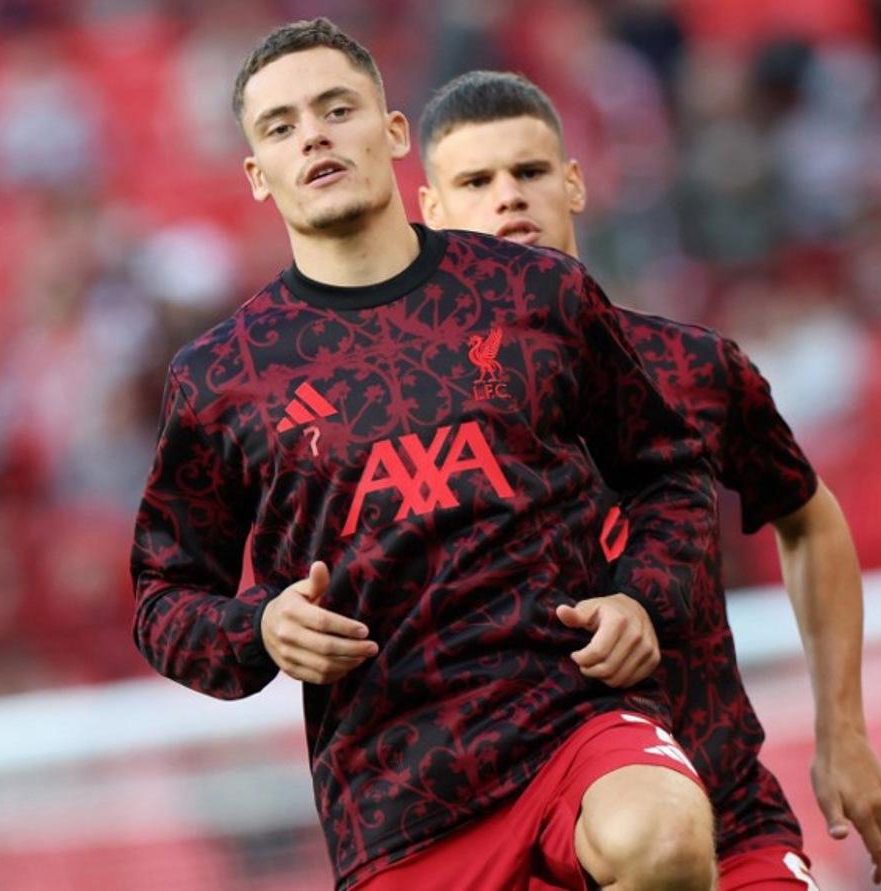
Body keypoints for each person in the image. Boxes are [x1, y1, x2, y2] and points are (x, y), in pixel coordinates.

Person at [131, 19, 721, 891]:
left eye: (338, 109)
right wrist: (258, 628)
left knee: (665, 839)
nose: (315, 136)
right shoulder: (221, 376)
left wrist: (643, 597)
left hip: (572, 716)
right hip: (393, 797)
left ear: (396, 133)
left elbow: (668, 469)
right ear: (258, 175)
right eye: (282, 126)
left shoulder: (537, 291)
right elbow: (163, 595)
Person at [417, 71, 881, 890]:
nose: (510, 198)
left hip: (728, 815)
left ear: (573, 184)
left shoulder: (694, 367)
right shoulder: (410, 413)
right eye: (476, 181)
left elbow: (809, 519)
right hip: (533, 838)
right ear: (432, 212)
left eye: (530, 172)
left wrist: (843, 730)